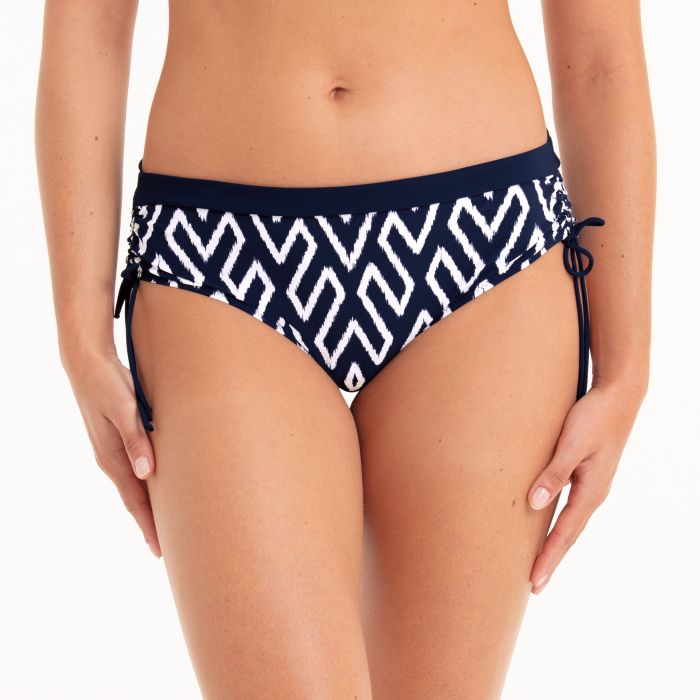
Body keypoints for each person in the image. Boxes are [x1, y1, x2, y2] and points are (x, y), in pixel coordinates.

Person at [35, 1, 655, 697]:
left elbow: (599, 55)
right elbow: (90, 21)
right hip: (217, 258)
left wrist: (626, 369)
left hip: (484, 248)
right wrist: (79, 333)